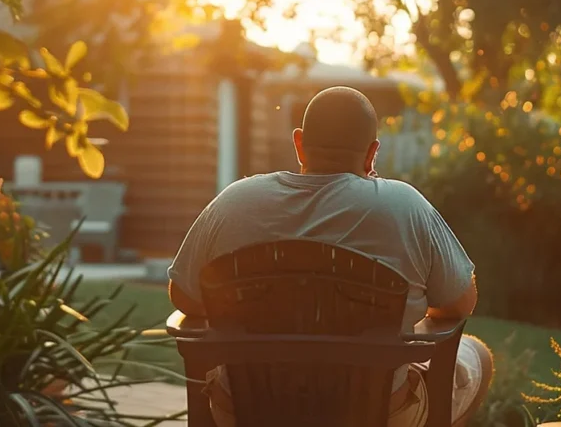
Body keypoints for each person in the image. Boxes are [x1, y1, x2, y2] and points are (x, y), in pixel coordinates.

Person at [168, 86, 493, 427]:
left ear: (299, 144)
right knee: (478, 356)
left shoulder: (233, 202)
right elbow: (460, 303)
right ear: (372, 154)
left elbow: (185, 297)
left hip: (246, 412)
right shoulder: (405, 206)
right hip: (378, 416)